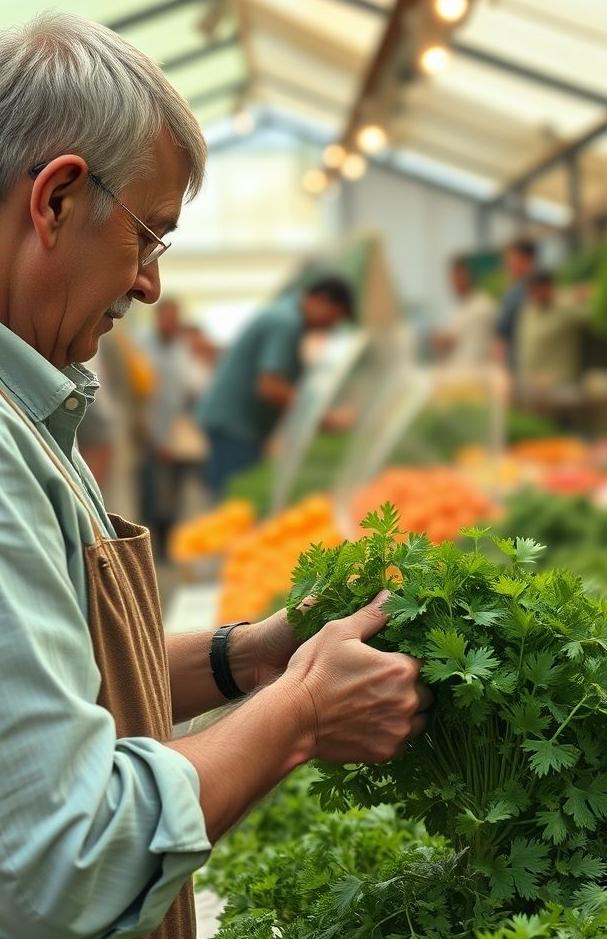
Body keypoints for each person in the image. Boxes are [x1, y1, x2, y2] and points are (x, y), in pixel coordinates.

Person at [0, 14, 425, 939]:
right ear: (57, 199)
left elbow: (54, 682)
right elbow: (67, 861)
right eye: (149, 236)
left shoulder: (30, 402)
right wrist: (301, 713)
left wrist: (248, 657)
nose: (150, 283)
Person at [197, 276, 354, 496]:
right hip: (235, 426)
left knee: (232, 496)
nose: (329, 328)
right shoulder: (287, 322)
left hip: (234, 423)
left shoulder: (286, 315)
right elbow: (270, 386)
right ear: (321, 300)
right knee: (235, 500)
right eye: (333, 319)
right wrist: (322, 417)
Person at [139, 297, 204, 558]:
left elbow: (189, 385)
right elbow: (140, 397)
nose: (171, 323)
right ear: (158, 318)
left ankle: (167, 544)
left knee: (174, 491)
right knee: (153, 490)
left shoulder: (180, 347)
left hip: (176, 431)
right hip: (150, 432)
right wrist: (154, 438)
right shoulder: (142, 346)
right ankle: (149, 545)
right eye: (168, 317)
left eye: (175, 318)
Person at [515, 270, 589, 394]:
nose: (533, 293)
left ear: (548, 287)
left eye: (536, 288)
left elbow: (593, 317)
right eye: (531, 289)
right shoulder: (528, 310)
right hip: (531, 385)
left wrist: (582, 295)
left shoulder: (566, 307)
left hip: (560, 386)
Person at [433, 254, 497, 368]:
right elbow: (453, 339)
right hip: (461, 375)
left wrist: (446, 342)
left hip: (474, 375)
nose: (454, 283)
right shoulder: (462, 307)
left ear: (469, 277)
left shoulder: (483, 306)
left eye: (458, 277)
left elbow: (475, 351)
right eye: (452, 278)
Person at [494, 237, 537, 370]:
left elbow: (501, 339)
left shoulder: (516, 294)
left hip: (520, 367)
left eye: (510, 259)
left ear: (526, 259)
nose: (507, 264)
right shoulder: (515, 291)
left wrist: (499, 368)